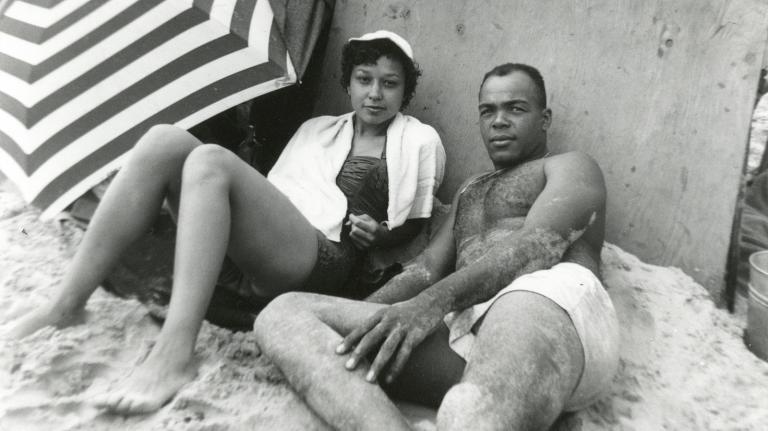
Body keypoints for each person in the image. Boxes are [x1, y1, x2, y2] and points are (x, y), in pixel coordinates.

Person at [4, 30, 445, 415]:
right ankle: (66, 303)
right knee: (164, 139)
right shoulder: (317, 129)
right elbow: (282, 188)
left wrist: (381, 233)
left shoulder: (418, 139)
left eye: (389, 84)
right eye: (364, 80)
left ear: (405, 92)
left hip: (325, 259)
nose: (374, 93)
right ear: (347, 82)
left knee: (211, 161)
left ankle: (175, 352)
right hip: (282, 239)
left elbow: (417, 220)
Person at [253, 63, 619, 430]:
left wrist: (429, 304)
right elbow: (427, 268)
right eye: (487, 111)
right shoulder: (470, 189)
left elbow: (533, 249)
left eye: (516, 109)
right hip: (465, 330)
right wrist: (363, 319)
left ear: (544, 118)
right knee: (284, 315)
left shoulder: (571, 166)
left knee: (470, 414)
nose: (499, 121)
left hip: (544, 305)